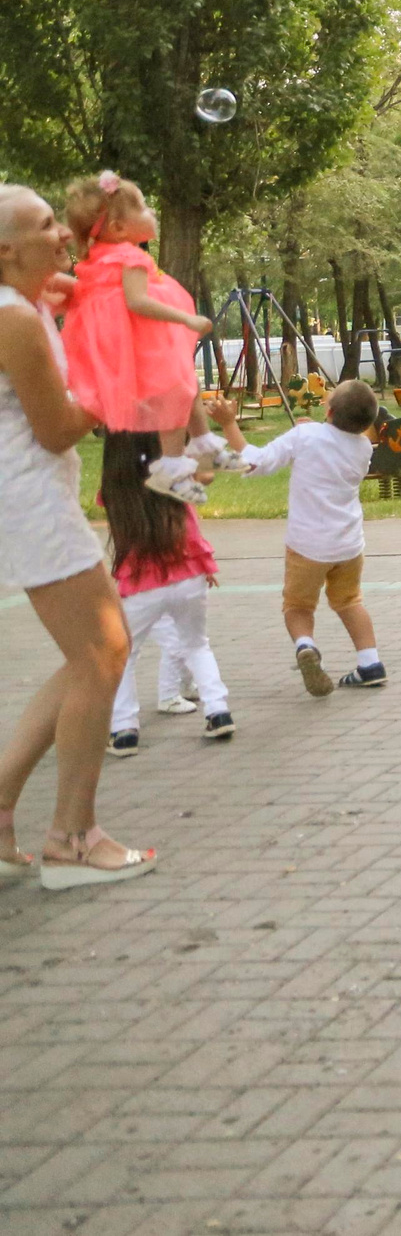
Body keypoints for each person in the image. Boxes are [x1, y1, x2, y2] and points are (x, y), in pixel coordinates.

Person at [0, 183, 157, 888]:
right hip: (29, 498)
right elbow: (59, 426)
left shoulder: (28, 300)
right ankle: (71, 838)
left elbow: (94, 275)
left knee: (86, 656)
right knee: (106, 648)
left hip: (34, 493)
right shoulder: (14, 319)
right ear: (6, 250)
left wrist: (104, 214)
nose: (61, 233)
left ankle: (1, 807)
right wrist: (108, 380)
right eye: (44, 226)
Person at [213, 381, 391, 697]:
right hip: (349, 545)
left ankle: (306, 646)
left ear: (330, 410)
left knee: (297, 606)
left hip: (308, 545)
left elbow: (258, 461)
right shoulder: (363, 447)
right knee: (350, 601)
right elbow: (332, 444)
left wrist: (228, 424)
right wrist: (311, 433)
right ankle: (370, 664)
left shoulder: (306, 436)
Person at [56, 171, 224, 503]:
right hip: (140, 341)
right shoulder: (129, 256)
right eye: (145, 207)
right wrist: (186, 318)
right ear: (118, 228)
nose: (153, 213)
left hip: (116, 345)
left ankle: (198, 447)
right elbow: (138, 301)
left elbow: (89, 298)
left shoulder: (97, 260)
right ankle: (177, 462)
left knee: (182, 385)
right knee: (176, 388)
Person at [98, 430, 235, 752]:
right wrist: (206, 566)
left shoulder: (114, 488)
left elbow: (103, 502)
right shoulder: (176, 479)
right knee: (197, 646)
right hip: (187, 577)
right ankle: (218, 711)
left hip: (142, 584)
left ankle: (124, 729)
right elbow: (193, 521)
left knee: (124, 655)